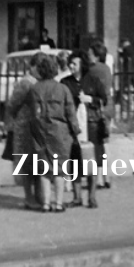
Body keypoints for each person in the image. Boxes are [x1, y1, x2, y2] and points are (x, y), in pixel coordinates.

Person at [27, 51, 78, 212]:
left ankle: (46, 203)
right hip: (60, 133)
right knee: (60, 169)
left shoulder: (35, 89)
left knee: (44, 169)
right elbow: (70, 112)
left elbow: (33, 114)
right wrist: (75, 131)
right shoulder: (63, 89)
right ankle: (58, 203)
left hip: (41, 131)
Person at [4, 59, 40, 209]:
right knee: (26, 163)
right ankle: (29, 197)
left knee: (38, 162)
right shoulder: (26, 83)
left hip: (36, 126)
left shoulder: (39, 81)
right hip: (25, 126)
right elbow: (12, 103)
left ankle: (38, 195)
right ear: (32, 67)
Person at [81, 40, 113, 204]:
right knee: (103, 142)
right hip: (107, 110)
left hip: (95, 110)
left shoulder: (92, 71)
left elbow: (85, 90)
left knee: (94, 145)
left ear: (96, 55)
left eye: (90, 53)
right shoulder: (106, 68)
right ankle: (105, 177)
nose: (88, 56)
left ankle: (98, 179)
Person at [58, 51, 88, 207]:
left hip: (89, 123)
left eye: (75, 63)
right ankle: (77, 196)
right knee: (74, 160)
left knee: (89, 161)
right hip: (72, 124)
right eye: (70, 63)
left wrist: (90, 99)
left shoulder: (90, 80)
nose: (71, 66)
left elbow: (101, 97)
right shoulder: (65, 82)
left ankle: (91, 196)